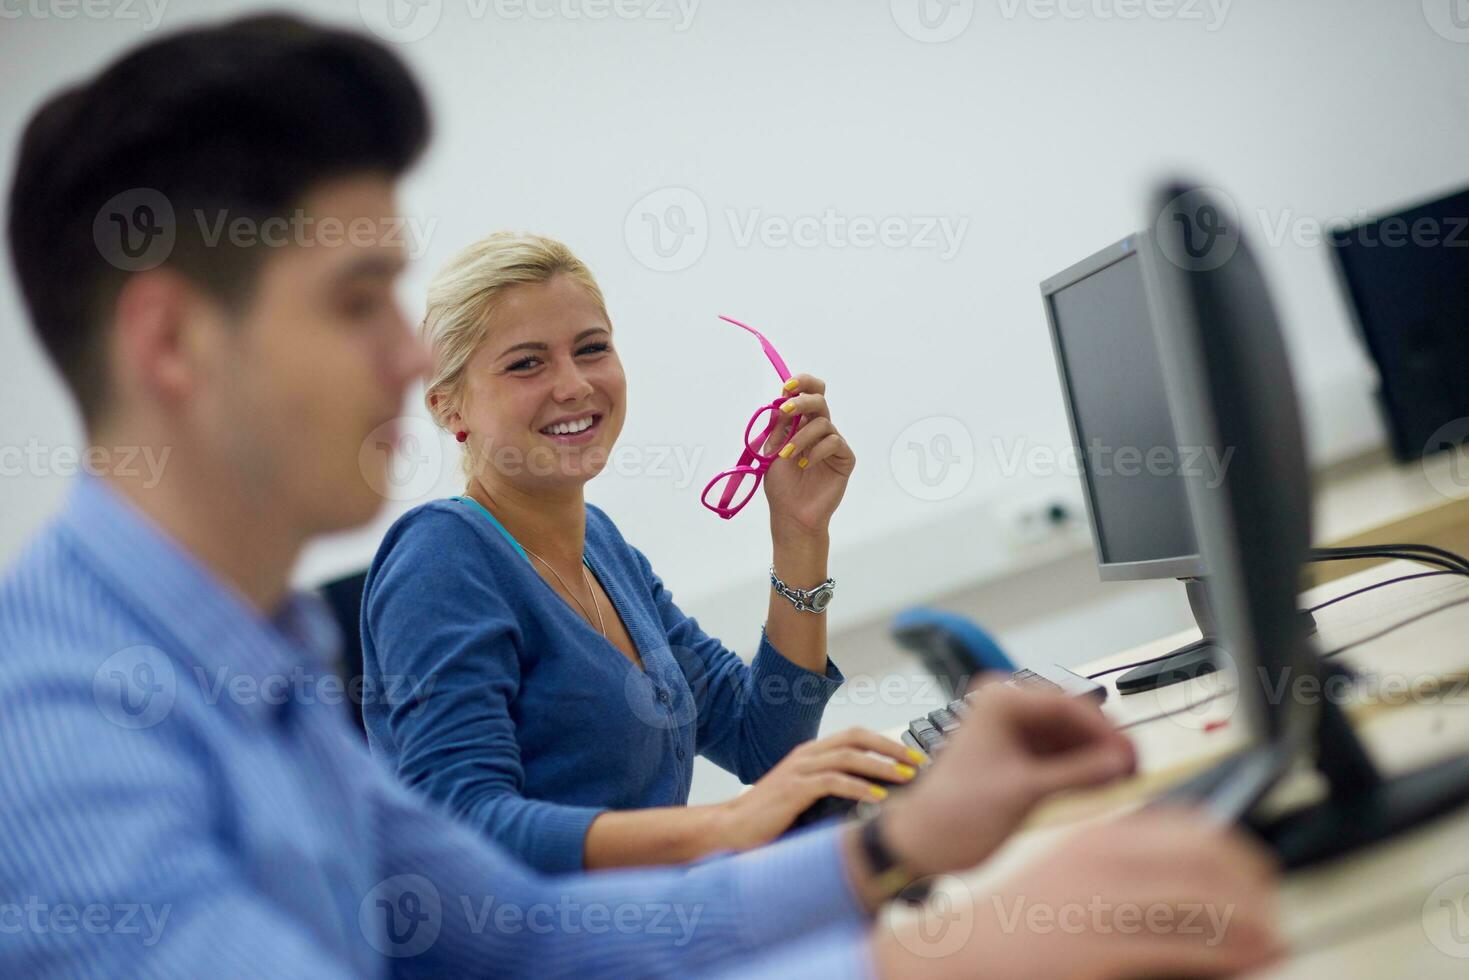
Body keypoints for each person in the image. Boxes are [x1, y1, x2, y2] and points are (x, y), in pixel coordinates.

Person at [0, 13, 1283, 978]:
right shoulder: (60, 724)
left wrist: (889, 850)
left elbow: (532, 931)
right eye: (356, 304)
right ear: (171, 342)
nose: (401, 356)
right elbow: (509, 844)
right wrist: (940, 952)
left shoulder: (257, 659)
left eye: (590, 345)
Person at [361, 230, 907, 873]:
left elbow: (766, 741)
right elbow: (466, 826)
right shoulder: (442, 558)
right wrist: (723, 826)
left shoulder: (603, 547)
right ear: (450, 406)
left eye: (591, 350)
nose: (573, 385)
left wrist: (799, 533)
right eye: (526, 363)